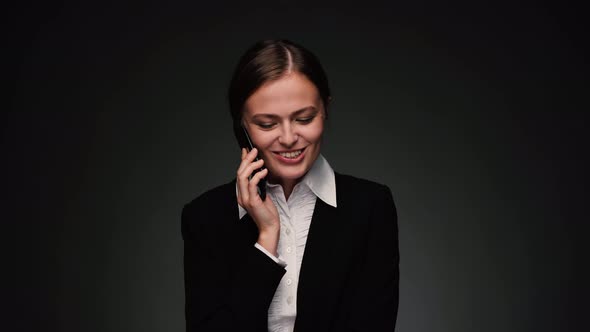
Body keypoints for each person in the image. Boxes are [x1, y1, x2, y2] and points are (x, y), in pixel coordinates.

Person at [181, 39, 399, 332]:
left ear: (325, 110)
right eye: (267, 124)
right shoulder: (205, 217)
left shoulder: (370, 207)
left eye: (304, 118)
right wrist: (268, 236)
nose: (287, 138)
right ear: (241, 128)